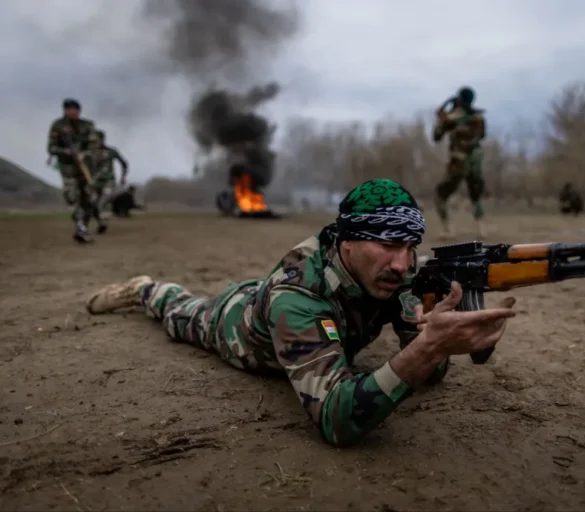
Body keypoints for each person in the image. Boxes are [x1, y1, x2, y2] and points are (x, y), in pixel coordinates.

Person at [85, 179, 517, 447]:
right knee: (181, 313)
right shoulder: (294, 296)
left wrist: (436, 331)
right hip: (235, 323)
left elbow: (431, 370)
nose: (403, 264)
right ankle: (145, 289)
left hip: (293, 313)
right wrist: (428, 349)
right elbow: (337, 420)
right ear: (346, 243)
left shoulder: (394, 271)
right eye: (387, 245)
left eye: (409, 247)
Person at [432, 86, 488, 239]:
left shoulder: (453, 117)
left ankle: (448, 230)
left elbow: (437, 136)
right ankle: (481, 229)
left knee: (440, 195)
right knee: (476, 195)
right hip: (475, 161)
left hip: (459, 161)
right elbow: (482, 136)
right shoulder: (479, 117)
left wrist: (440, 118)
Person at [47, 98, 100, 243]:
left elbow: (95, 145)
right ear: (64, 110)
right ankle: (80, 228)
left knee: (88, 200)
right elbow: (51, 148)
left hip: (86, 169)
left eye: (75, 109)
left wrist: (85, 154)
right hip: (68, 168)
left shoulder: (88, 125)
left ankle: (83, 227)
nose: (72, 111)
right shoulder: (58, 126)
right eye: (69, 108)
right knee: (72, 197)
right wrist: (65, 151)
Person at [92, 130, 129, 228]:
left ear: (102, 139)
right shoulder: (89, 153)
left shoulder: (111, 151)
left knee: (102, 202)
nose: (95, 142)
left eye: (97, 139)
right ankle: (101, 223)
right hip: (93, 182)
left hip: (108, 181)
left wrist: (123, 176)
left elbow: (124, 163)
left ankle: (103, 222)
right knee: (92, 205)